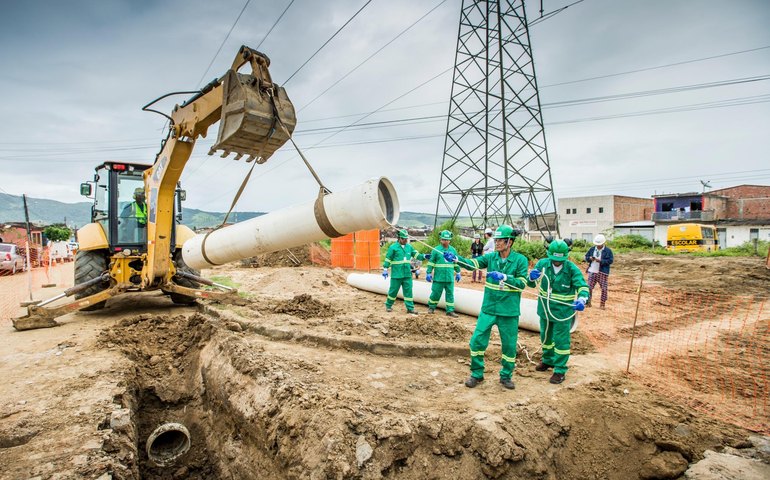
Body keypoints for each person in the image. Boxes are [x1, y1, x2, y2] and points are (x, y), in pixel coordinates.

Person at [447, 225, 528, 390]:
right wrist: (456, 259)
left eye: (499, 240)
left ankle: (506, 376)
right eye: (495, 240)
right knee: (477, 341)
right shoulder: (491, 258)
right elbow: (473, 264)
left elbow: (522, 284)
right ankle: (477, 373)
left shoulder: (520, 260)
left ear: (509, 242)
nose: (496, 243)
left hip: (509, 311)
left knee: (509, 345)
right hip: (489, 308)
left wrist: (505, 277)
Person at [527, 239, 589, 384]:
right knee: (545, 337)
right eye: (554, 259)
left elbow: (582, 286)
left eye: (559, 260)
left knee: (561, 341)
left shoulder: (572, 269)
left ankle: (560, 369)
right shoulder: (542, 264)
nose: (556, 262)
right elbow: (530, 283)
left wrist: (582, 299)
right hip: (544, 309)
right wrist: (530, 277)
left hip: (562, 312)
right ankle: (548, 360)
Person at [382, 229, 426, 315]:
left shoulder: (409, 247)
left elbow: (417, 255)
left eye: (406, 239)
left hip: (407, 274)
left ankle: (410, 308)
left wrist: (425, 256)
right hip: (396, 274)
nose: (405, 240)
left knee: (408, 291)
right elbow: (388, 259)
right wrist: (385, 269)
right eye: (404, 239)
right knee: (393, 291)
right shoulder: (393, 248)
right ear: (399, 238)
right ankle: (388, 305)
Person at [424, 230, 461, 317]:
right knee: (435, 293)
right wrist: (428, 272)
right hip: (439, 277)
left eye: (447, 240)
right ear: (440, 239)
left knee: (450, 294)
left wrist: (458, 272)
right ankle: (431, 307)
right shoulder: (436, 250)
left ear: (450, 240)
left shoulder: (453, 250)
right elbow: (431, 262)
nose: (445, 241)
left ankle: (450, 310)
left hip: (449, 277)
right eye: (444, 239)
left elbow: (455, 262)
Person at [584, 234, 614, 309]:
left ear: (603, 243)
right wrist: (590, 258)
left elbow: (610, 260)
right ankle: (588, 302)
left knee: (604, 288)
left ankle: (602, 304)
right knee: (589, 287)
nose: (598, 246)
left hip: (602, 272)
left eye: (599, 244)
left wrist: (600, 261)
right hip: (592, 271)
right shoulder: (592, 249)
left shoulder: (608, 251)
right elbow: (586, 257)